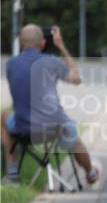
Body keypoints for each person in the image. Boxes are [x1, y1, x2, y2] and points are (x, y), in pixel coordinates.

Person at [1, 24, 101, 185]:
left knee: (4, 117)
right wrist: (61, 46)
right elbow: (77, 79)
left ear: (20, 42)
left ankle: (12, 174)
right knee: (72, 135)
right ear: (43, 43)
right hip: (54, 129)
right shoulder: (51, 62)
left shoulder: (11, 64)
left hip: (23, 129)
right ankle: (91, 173)